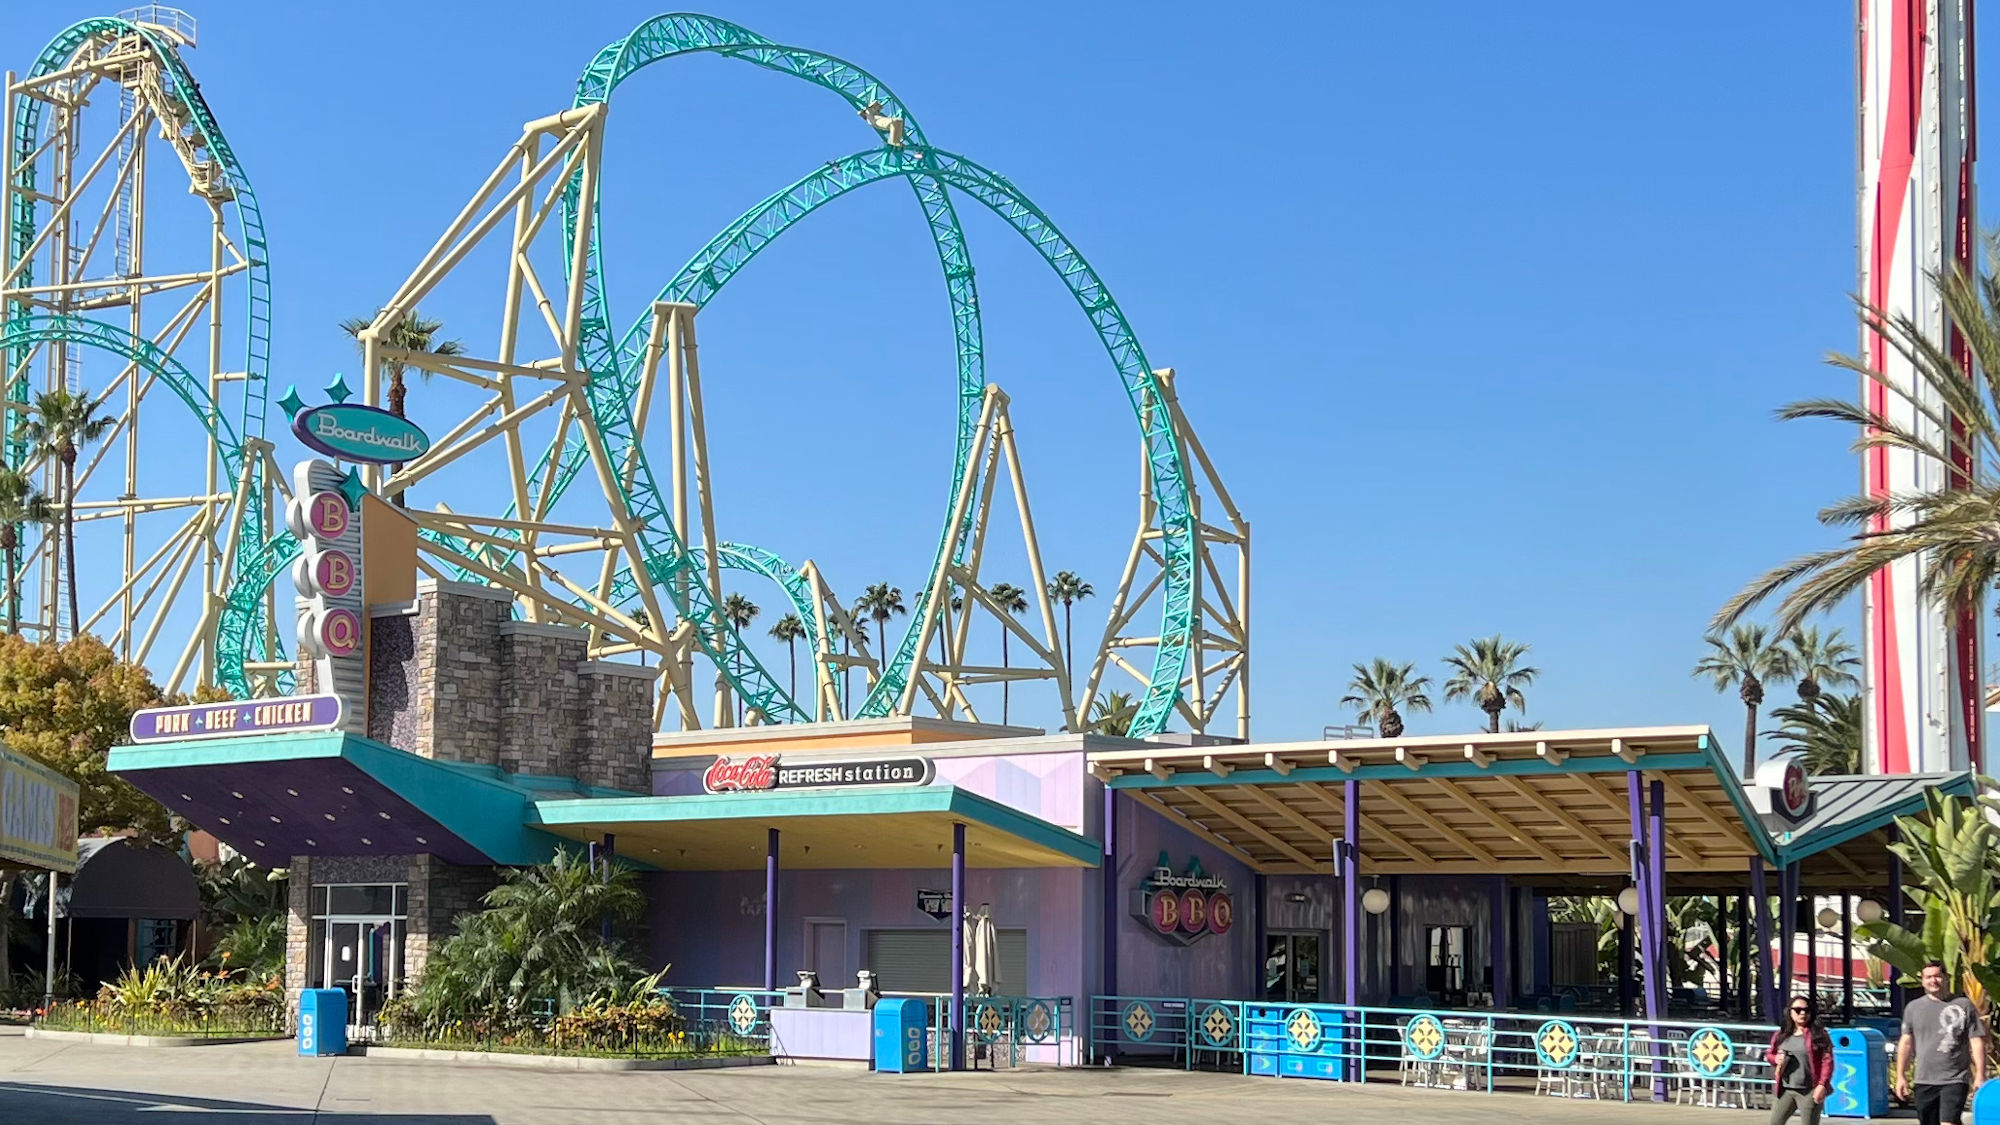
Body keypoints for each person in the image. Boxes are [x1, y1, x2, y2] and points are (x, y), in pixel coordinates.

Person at [1896, 960, 1988, 1125]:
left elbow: (1976, 1041)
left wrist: (1980, 1075)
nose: (1933, 981)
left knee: (1948, 1122)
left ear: (1946, 978)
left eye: (1938, 976)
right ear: (1923, 980)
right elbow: (1906, 1043)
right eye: (1928, 977)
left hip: (1955, 1079)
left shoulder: (1963, 1005)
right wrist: (1901, 1076)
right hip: (1924, 1080)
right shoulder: (1913, 1008)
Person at [1767, 994, 1834, 1125]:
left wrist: (1822, 1085)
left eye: (1806, 1010)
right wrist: (1776, 1059)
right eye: (1798, 1010)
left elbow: (1827, 1061)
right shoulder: (1781, 1035)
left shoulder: (1819, 1035)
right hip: (1786, 1089)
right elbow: (1770, 1054)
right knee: (1775, 1122)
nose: (1802, 1013)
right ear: (1790, 1012)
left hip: (1809, 1090)